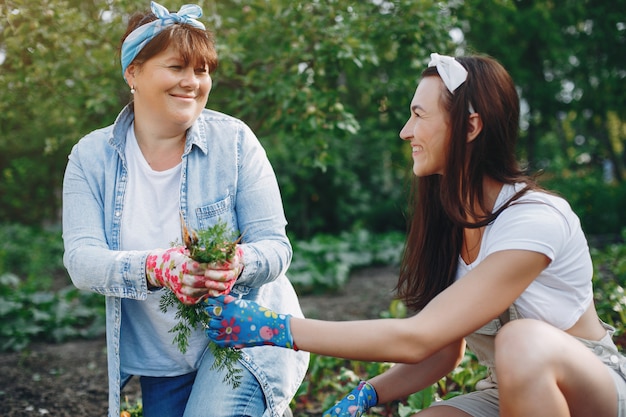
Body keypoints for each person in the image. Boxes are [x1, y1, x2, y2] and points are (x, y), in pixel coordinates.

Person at [204, 53, 626, 417]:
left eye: (418, 115)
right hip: (504, 396)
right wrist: (367, 394)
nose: (406, 131)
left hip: (589, 392)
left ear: (470, 126)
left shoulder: (536, 218)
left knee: (522, 339)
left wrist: (278, 328)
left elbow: (418, 335)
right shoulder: (451, 221)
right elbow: (442, 348)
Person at [62, 2, 309, 416]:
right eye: (177, 67)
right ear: (133, 72)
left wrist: (236, 263)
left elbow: (276, 247)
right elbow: (82, 260)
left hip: (242, 336)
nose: (192, 82)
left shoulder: (234, 143)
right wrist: (157, 267)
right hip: (164, 358)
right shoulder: (91, 157)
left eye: (202, 70)